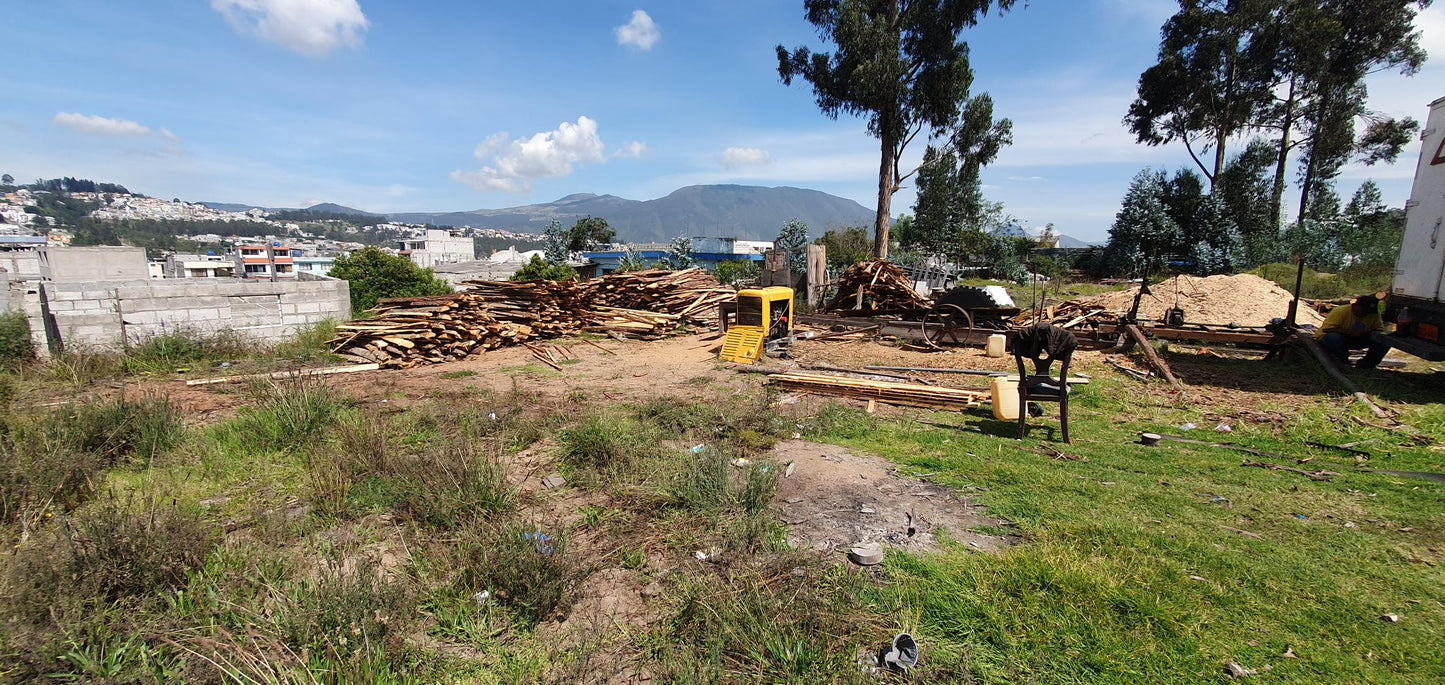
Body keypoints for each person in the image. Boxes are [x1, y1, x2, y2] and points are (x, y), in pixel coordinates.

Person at [1316, 294, 1388, 369]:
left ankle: (1367, 364)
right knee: (1333, 337)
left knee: (1384, 341)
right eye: (1364, 311)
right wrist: (1350, 332)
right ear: (1355, 306)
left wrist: (1366, 333)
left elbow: (1380, 330)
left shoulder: (1373, 315)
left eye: (1369, 312)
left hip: (1359, 338)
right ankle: (1342, 361)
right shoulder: (1341, 311)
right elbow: (1326, 330)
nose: (1366, 314)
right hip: (1340, 337)